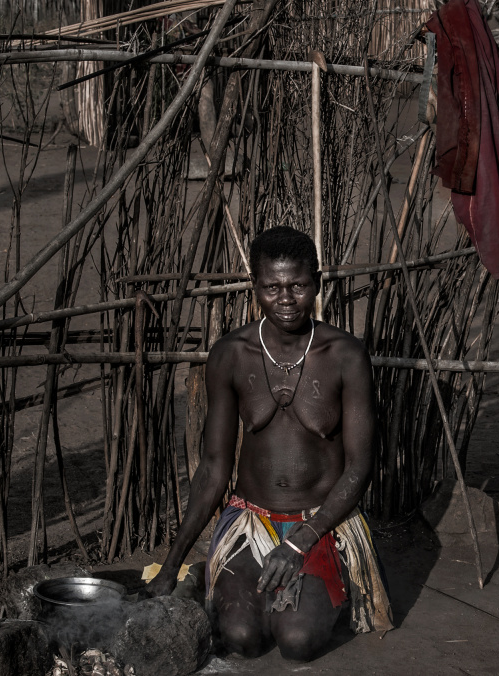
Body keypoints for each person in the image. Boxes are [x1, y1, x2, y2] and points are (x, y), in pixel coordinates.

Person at [145, 226, 392, 661]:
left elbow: (359, 468)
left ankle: (335, 582)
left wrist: (301, 541)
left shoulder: (345, 356)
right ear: (254, 286)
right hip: (250, 521)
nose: (285, 299)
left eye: (297, 285)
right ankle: (230, 575)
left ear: (317, 282)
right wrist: (171, 563)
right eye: (271, 287)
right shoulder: (231, 354)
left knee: (296, 642)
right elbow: (214, 468)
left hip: (321, 524)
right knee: (242, 637)